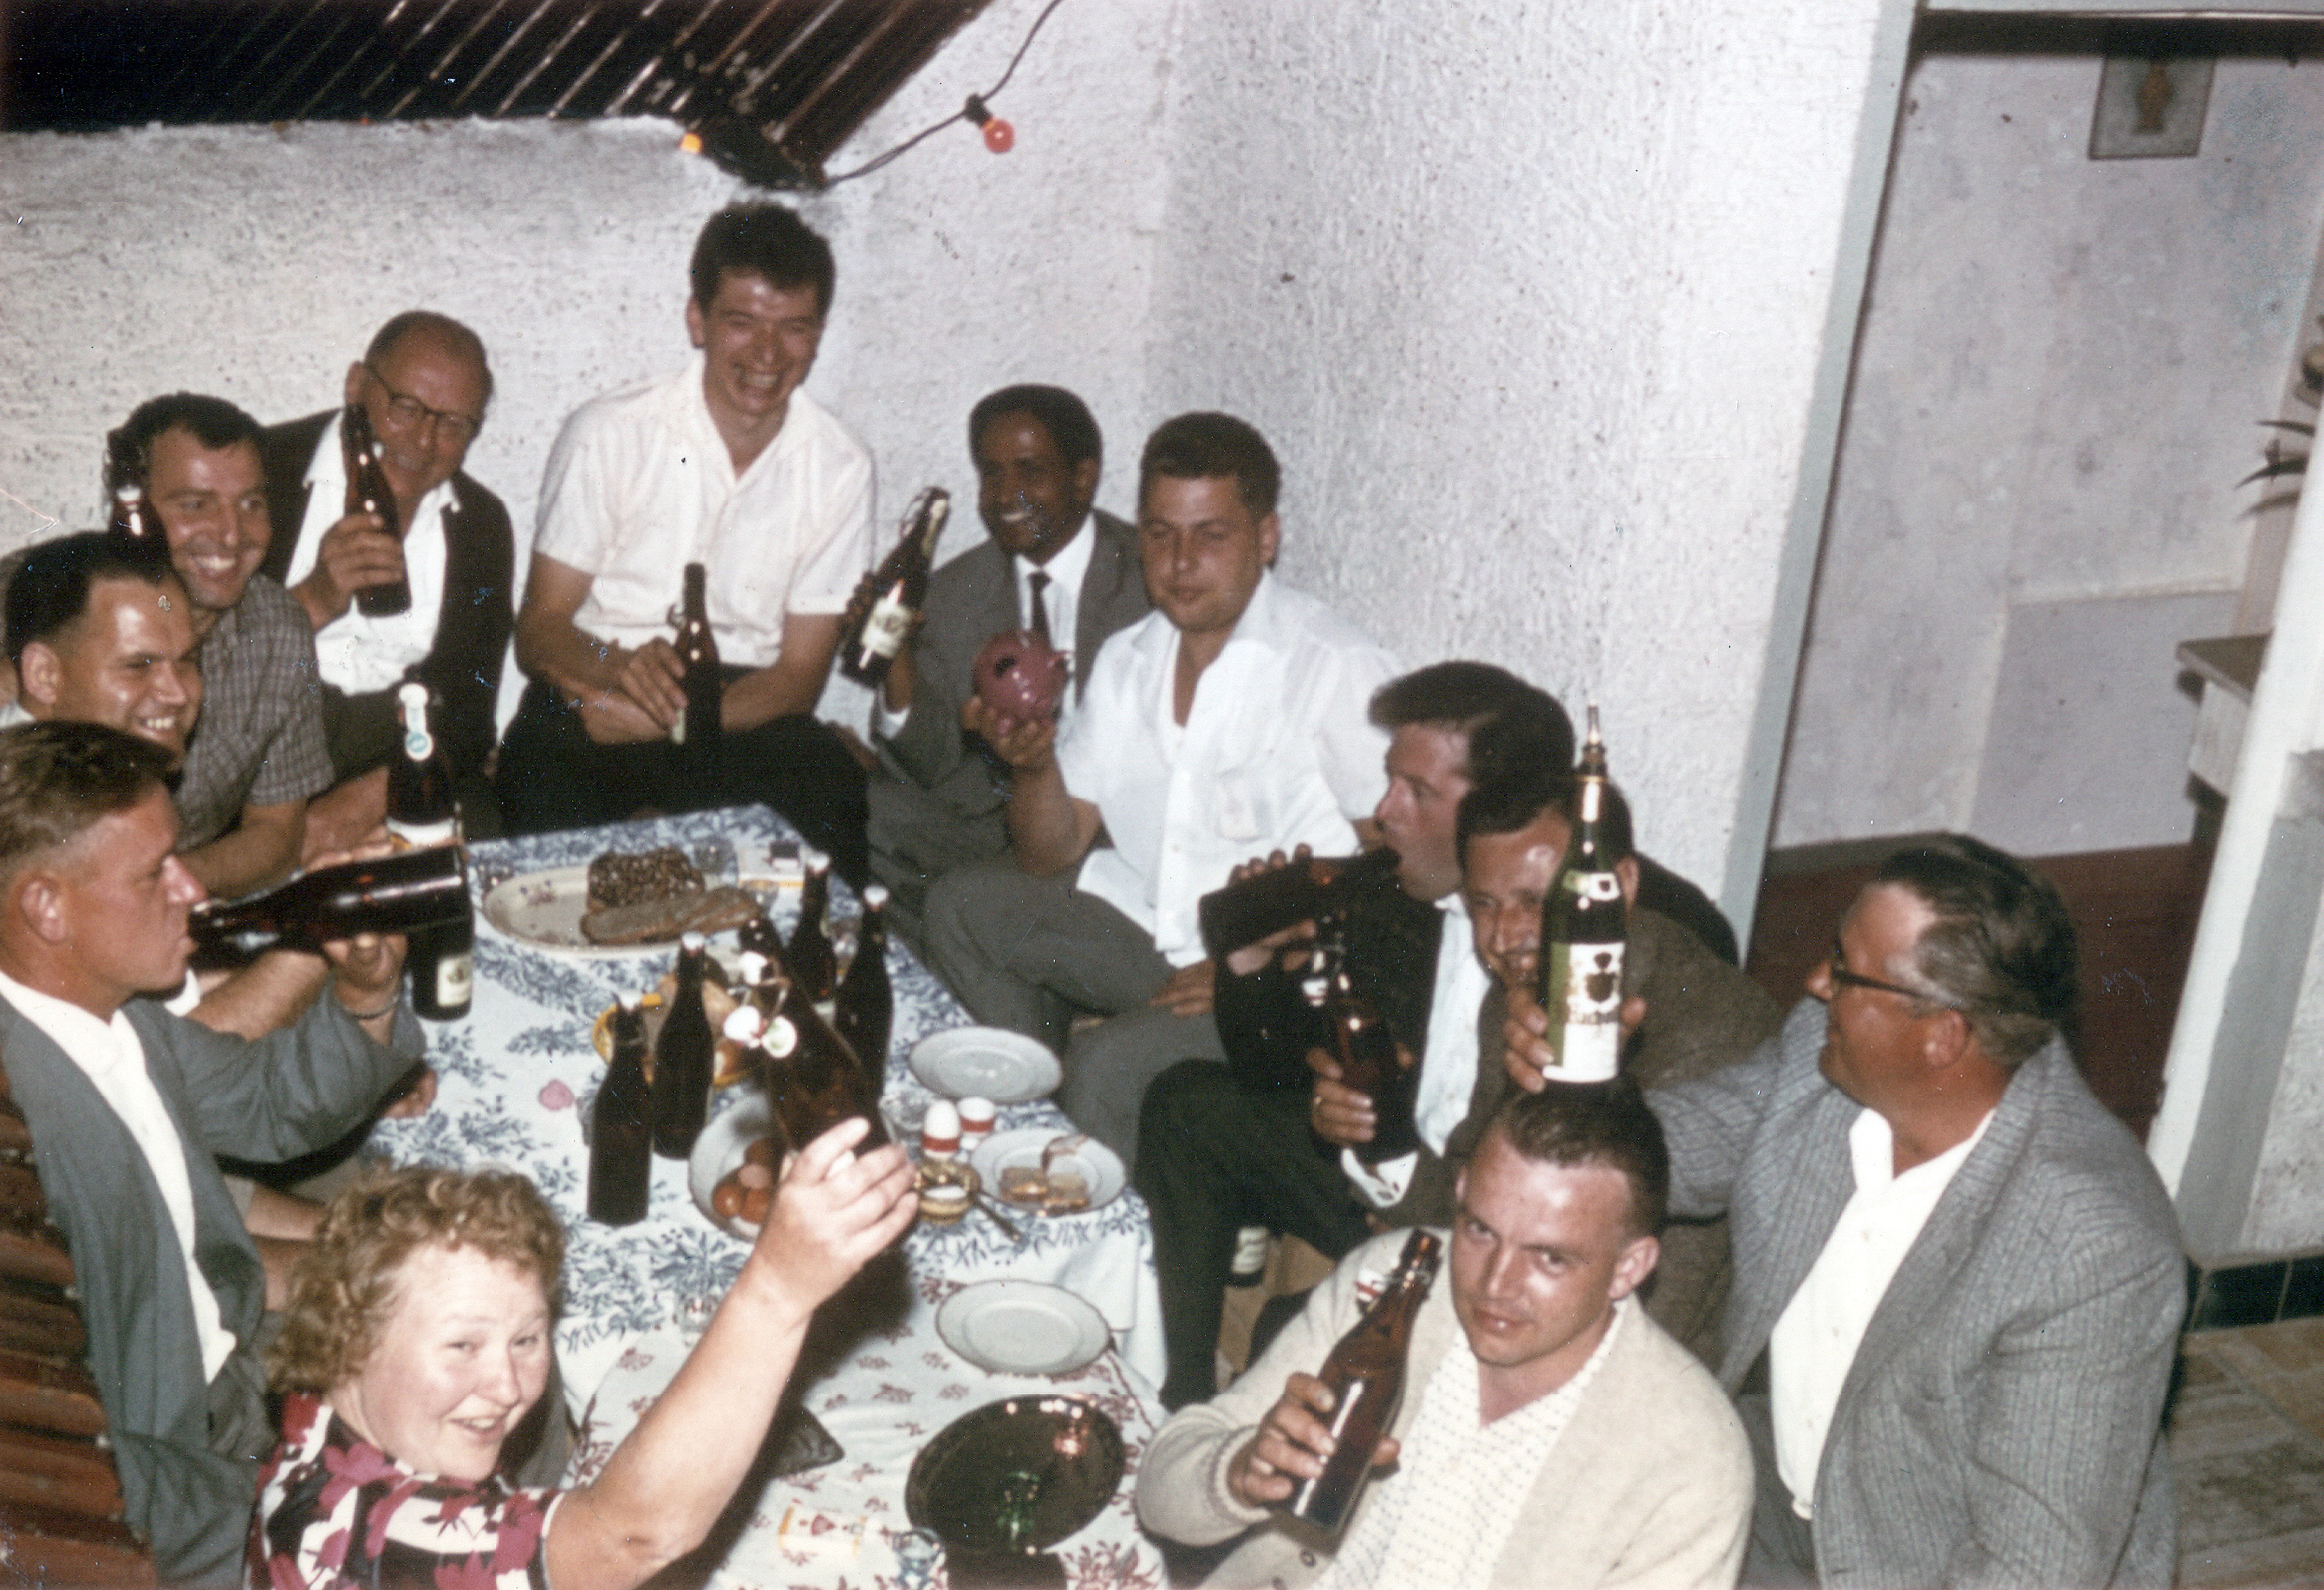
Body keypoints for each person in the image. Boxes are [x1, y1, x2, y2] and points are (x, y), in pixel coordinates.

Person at [1505, 835, 2185, 1587]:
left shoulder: (2087, 1247)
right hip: (1778, 1488)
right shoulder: (1822, 1058)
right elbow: (1680, 1148)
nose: (1815, 982)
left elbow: (2031, 1564)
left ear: (1941, 1036)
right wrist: (1582, 1083)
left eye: (1847, 971)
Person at [0, 721, 426, 1587]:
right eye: (156, 870)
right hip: (172, 1473)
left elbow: (275, 1105)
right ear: (46, 905)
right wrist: (268, 1512)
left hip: (227, 1365)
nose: (192, 887)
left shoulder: (113, 1015)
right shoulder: (24, 1142)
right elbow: (99, 1468)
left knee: (463, 1347)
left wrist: (366, 993)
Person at [923, 412, 1398, 1166]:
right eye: (1158, 533)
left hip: (1277, 980)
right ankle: (1025, 1134)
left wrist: (1258, 970)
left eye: (1210, 535)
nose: (1179, 563)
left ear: (1265, 539)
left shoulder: (1331, 665)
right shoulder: (1128, 659)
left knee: (1107, 1066)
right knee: (961, 905)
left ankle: (1099, 1241)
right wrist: (1033, 762)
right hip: (1152, 927)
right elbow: (1050, 854)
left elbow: (1402, 871)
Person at [1136, 1082, 1754, 1589]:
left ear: (1629, 1267)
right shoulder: (1391, 1277)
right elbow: (1159, 1488)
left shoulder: (1690, 1459)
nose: (1494, 1284)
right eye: (1479, 1230)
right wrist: (1240, 1470)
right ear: (1458, 1195)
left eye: (1550, 1259)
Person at [252, 1142, 915, 1588]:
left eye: (527, 1339)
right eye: (463, 1346)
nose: (508, 1388)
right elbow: (633, 1536)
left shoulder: (327, 1422)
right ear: (354, 1334)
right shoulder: (362, 1535)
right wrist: (777, 1288)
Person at [500, 203, 874, 882]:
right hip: (606, 680)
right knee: (541, 793)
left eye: (793, 328)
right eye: (742, 322)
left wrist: (672, 724)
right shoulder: (610, 432)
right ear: (697, 321)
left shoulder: (839, 465)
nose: (767, 355)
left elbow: (798, 678)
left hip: (743, 706)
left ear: (817, 336)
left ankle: (808, 981)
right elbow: (542, 630)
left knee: (825, 788)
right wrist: (613, 673)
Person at [865, 383, 1149, 948]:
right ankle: (947, 981)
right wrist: (894, 663)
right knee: (875, 810)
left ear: (1083, 477)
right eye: (991, 474)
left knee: (967, 900)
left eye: (1030, 470)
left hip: (1107, 822)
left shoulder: (1146, 577)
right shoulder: (955, 589)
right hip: (997, 816)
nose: (1005, 494)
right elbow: (929, 761)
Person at [259, 310, 514, 838]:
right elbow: (187, 643)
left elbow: (470, 712)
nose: (423, 442)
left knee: (479, 846)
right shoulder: (266, 471)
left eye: (453, 425)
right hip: (263, 739)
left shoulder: (480, 524)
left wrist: (362, 804)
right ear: (356, 387)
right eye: (405, 408)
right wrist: (311, 597)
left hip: (397, 750)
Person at [113, 392, 334, 895]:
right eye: (195, 504)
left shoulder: (278, 632)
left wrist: (168, 889)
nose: (231, 534)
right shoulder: (42, 601)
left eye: (250, 504)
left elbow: (276, 836)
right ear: (133, 509)